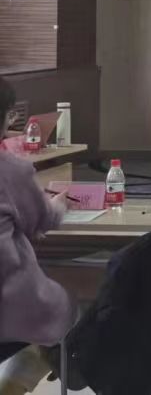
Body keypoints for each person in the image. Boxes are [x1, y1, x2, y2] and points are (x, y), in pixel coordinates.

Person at [0, 78, 77, 395]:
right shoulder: (11, 170)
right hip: (9, 307)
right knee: (68, 308)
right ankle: (18, 378)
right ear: (8, 117)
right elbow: (42, 220)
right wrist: (57, 205)